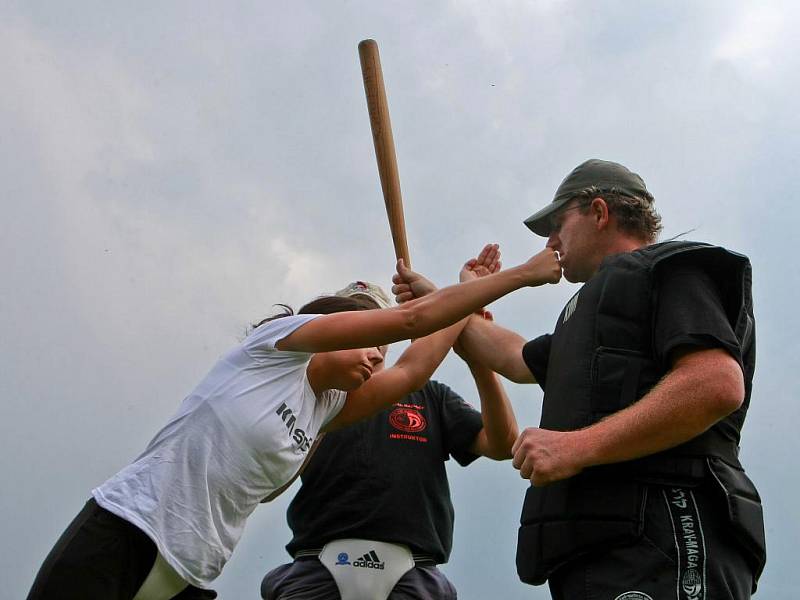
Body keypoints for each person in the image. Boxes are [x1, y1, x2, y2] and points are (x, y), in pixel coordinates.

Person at [27, 244, 562, 600]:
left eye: (380, 350)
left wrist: (465, 296)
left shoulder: (327, 410)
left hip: (189, 574)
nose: (378, 356)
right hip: (129, 530)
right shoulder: (276, 347)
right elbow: (412, 322)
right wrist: (520, 275)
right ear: (328, 325)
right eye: (369, 339)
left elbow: (417, 362)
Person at [393, 160, 766, 599]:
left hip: (666, 533)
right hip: (597, 550)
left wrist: (577, 446)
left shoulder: (669, 270)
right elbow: (512, 356)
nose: (552, 241)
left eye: (558, 223)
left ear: (600, 212)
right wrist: (443, 299)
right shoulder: (586, 316)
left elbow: (717, 383)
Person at [261, 277, 518, 600]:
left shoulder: (429, 396)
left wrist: (476, 359)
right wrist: (461, 304)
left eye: (374, 322)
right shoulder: (314, 395)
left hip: (414, 571)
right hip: (318, 566)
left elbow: (503, 443)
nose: (367, 335)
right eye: (357, 323)